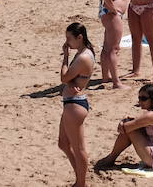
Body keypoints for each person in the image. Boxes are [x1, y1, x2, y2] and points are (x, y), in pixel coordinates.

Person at [92, 84, 153, 172]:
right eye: (139, 98)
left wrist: (123, 123)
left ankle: (111, 158)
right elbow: (137, 123)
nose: (140, 102)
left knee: (130, 131)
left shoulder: (152, 115)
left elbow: (124, 128)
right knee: (133, 128)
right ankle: (111, 158)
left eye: (144, 99)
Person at [57, 22, 95, 187]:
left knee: (79, 149)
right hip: (71, 103)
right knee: (63, 144)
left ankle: (81, 183)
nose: (66, 42)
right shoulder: (83, 52)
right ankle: (80, 179)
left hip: (75, 105)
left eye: (69, 38)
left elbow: (64, 78)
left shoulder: (83, 57)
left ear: (79, 37)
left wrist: (65, 56)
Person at [97, 0, 129, 90]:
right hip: (112, 15)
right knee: (114, 49)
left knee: (107, 47)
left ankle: (105, 76)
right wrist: (112, 9)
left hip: (110, 14)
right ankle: (117, 82)